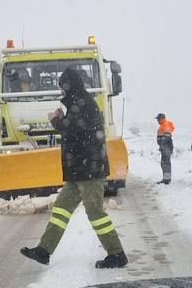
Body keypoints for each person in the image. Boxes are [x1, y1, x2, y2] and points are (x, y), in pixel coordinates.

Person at [20, 68, 128, 268]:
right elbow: (74, 131)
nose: (62, 92)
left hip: (89, 172)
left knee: (95, 213)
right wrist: (62, 118)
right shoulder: (78, 104)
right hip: (77, 172)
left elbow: (72, 131)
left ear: (70, 86)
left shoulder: (84, 104)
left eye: (63, 87)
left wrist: (56, 120)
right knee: (61, 211)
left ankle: (117, 254)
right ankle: (44, 250)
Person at [155, 113, 175, 184]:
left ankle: (166, 180)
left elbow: (166, 137)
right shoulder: (163, 125)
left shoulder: (165, 125)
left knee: (165, 163)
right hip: (164, 147)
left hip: (166, 147)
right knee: (164, 163)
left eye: (158, 119)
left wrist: (162, 146)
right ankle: (166, 178)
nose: (157, 120)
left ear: (161, 118)